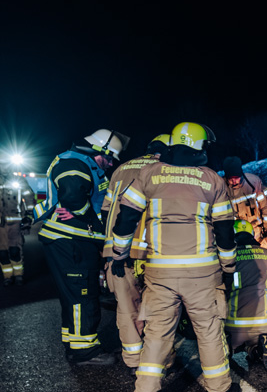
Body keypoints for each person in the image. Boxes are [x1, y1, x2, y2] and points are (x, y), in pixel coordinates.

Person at [111, 122, 238, 392]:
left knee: (157, 332)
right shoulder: (212, 181)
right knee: (208, 329)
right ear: (197, 146)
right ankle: (219, 388)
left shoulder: (149, 175)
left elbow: (126, 218)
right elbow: (225, 231)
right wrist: (229, 267)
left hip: (160, 273)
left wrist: (119, 254)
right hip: (203, 274)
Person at [36, 129, 129, 366]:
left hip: (70, 241)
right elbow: (74, 197)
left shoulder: (80, 162)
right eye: (109, 158)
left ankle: (74, 344)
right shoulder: (75, 163)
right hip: (71, 240)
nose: (109, 164)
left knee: (74, 295)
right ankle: (85, 351)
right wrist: (89, 219)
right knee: (82, 293)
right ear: (100, 150)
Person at [102, 134, 170, 375]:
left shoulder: (120, 169)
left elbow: (107, 210)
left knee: (126, 306)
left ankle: (133, 361)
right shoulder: (163, 170)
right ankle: (158, 361)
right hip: (150, 251)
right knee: (158, 307)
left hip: (115, 250)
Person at [225, 219, 267, 372]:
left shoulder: (229, 257)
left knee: (226, 346)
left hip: (235, 327)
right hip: (266, 325)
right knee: (254, 345)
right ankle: (258, 347)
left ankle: (231, 346)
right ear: (252, 234)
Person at [222, 156, 267, 249]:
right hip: (235, 238)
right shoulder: (221, 188)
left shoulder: (254, 183)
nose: (234, 181)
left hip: (258, 235)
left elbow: (266, 208)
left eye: (237, 178)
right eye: (231, 178)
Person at [0, 172, 34, 286]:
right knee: (2, 253)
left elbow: (29, 197)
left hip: (15, 221)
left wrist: (29, 215)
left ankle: (18, 275)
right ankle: (7, 276)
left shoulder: (18, 180)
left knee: (15, 251)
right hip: (0, 225)